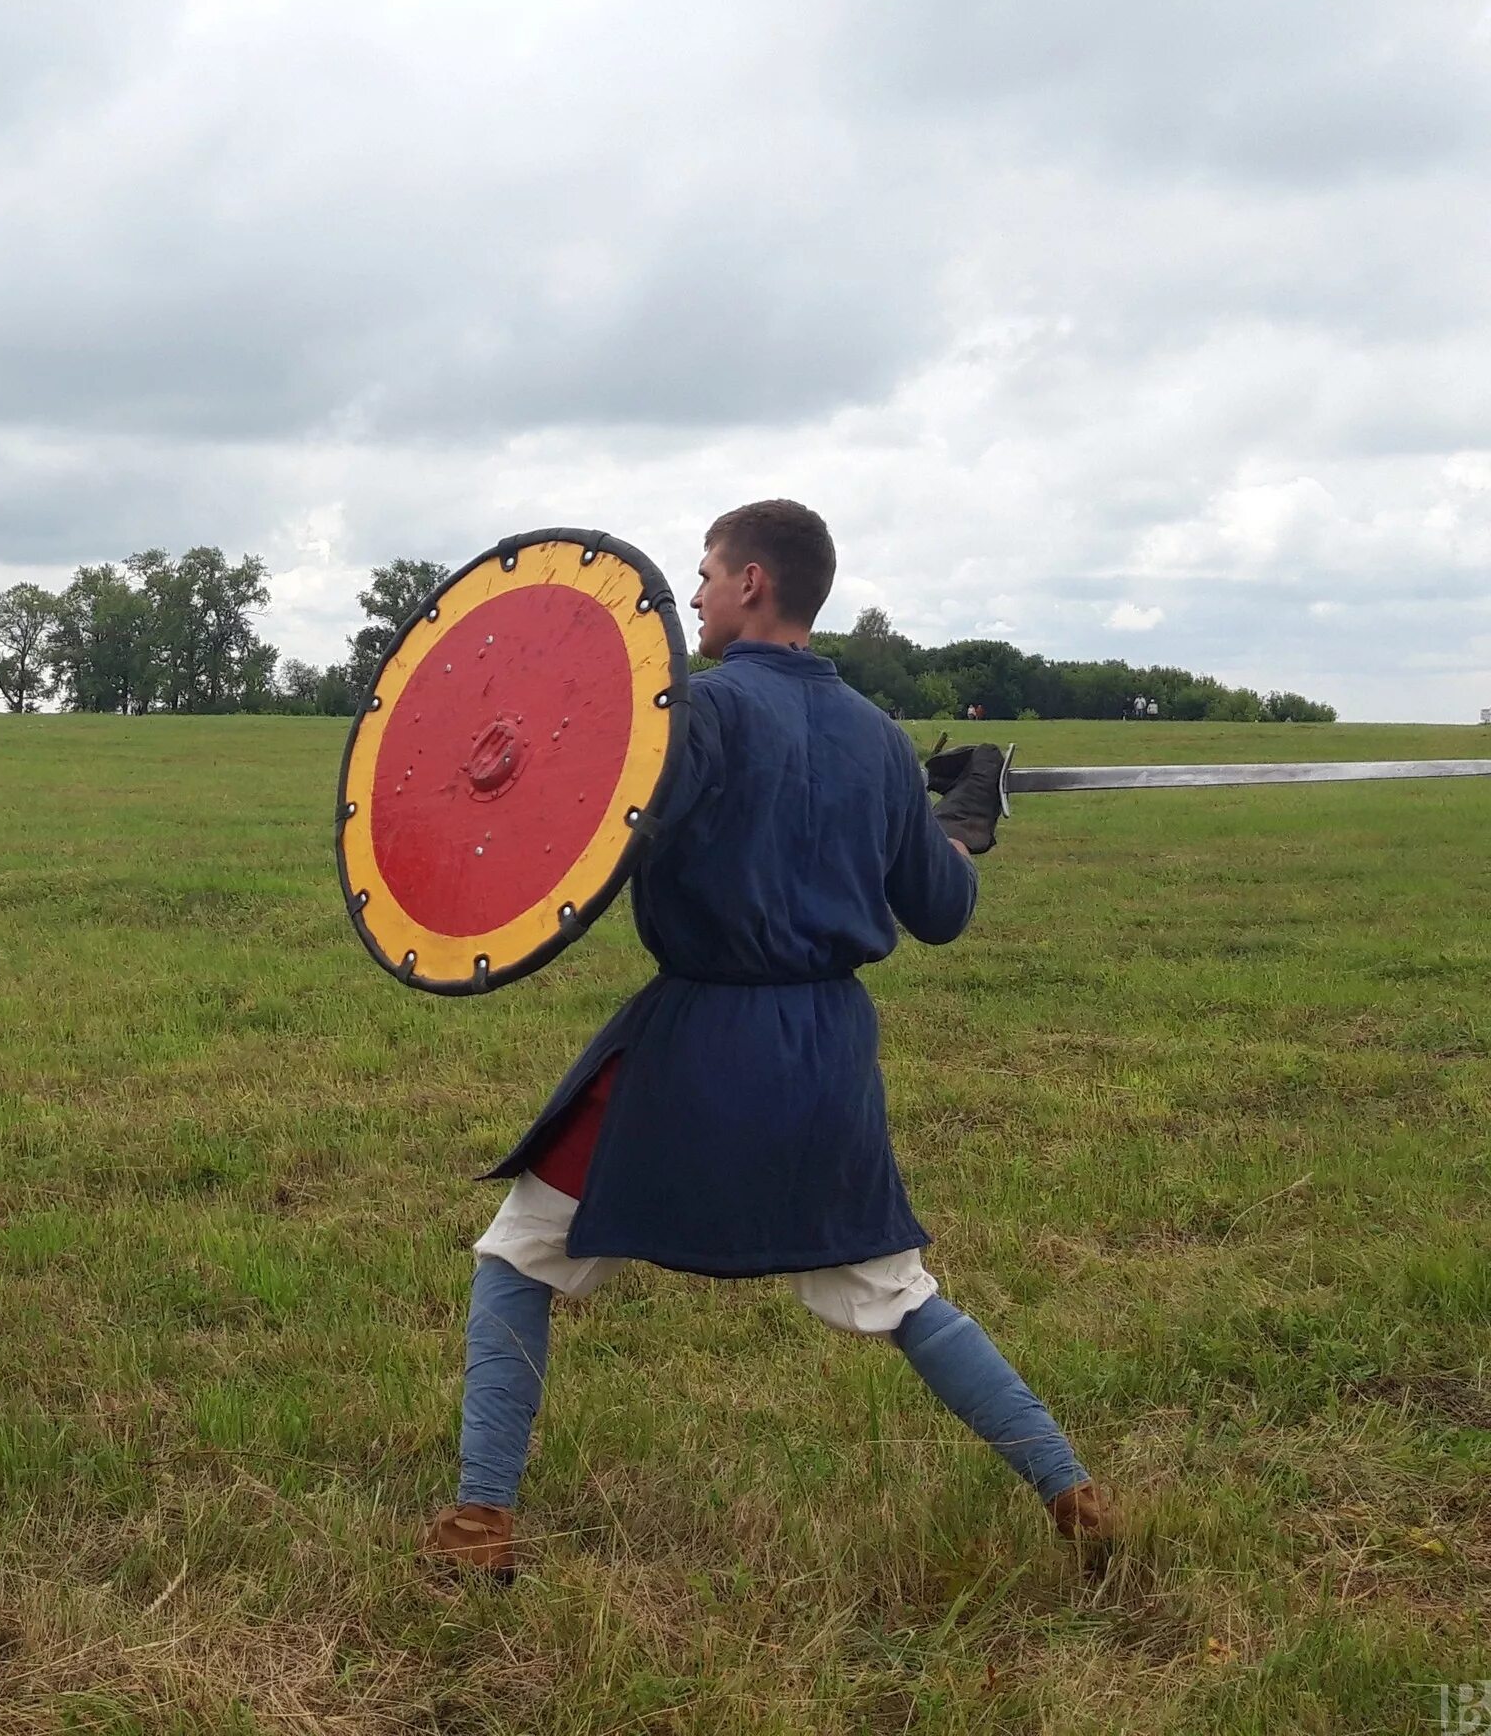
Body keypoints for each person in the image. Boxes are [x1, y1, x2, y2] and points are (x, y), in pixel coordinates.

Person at [421, 501, 1113, 1582]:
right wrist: (961, 823)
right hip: (826, 1058)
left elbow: (593, 822)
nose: (688, 597)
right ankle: (1072, 1490)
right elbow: (941, 908)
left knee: (519, 1256)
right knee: (896, 1292)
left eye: (701, 575)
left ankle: (478, 1527)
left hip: (695, 1046)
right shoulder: (881, 740)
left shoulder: (690, 719)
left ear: (751, 582)